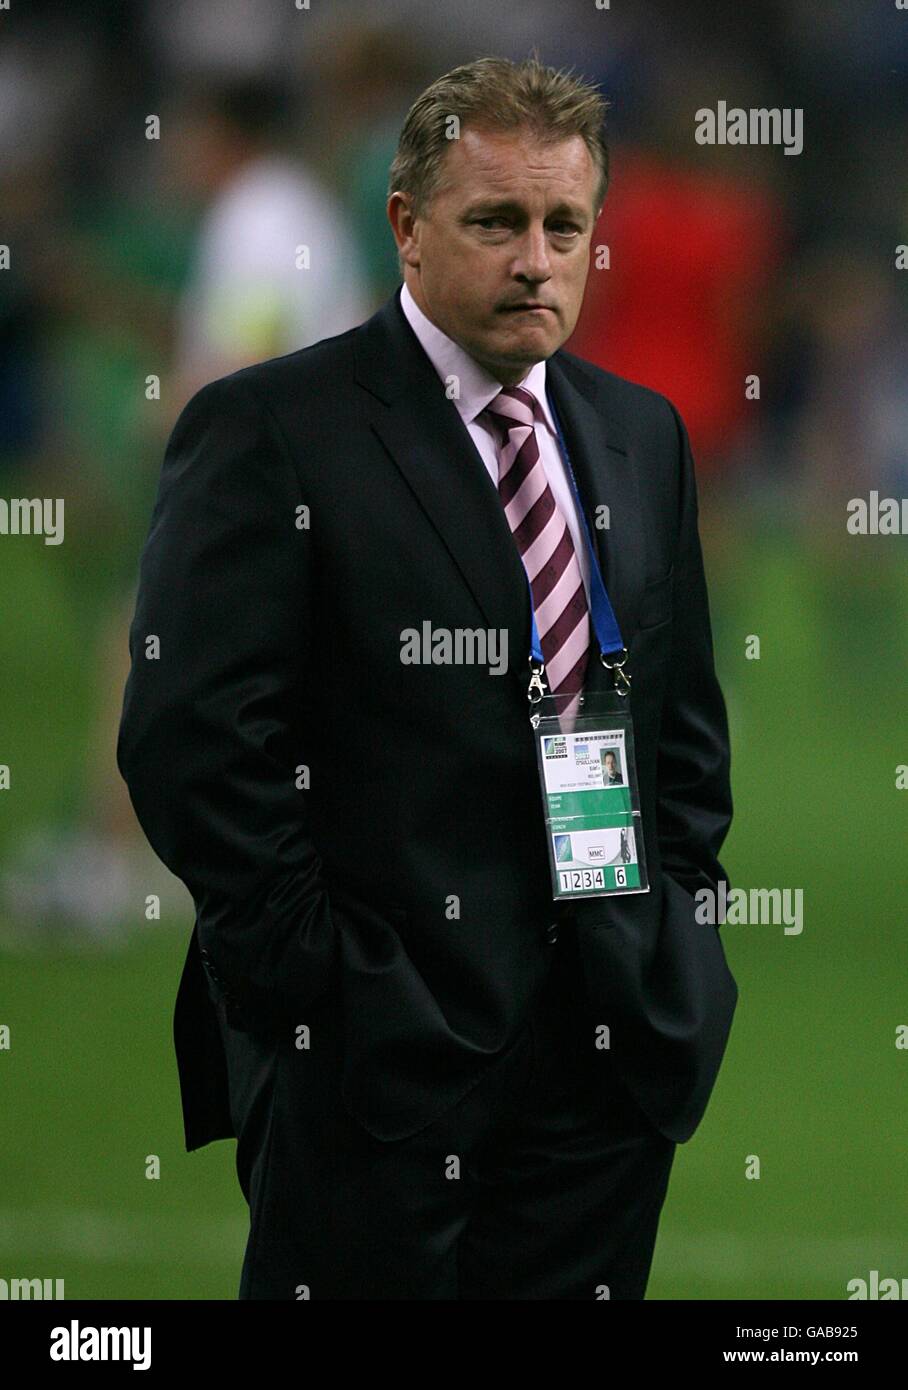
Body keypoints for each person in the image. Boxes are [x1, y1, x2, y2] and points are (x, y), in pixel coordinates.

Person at [117, 56, 737, 1300]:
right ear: (405, 227)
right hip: (378, 1060)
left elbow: (681, 739)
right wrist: (328, 986)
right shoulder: (275, 428)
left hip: (608, 1050)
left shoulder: (638, 433)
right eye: (493, 221)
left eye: (564, 226)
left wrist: (679, 943)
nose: (534, 259)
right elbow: (194, 740)